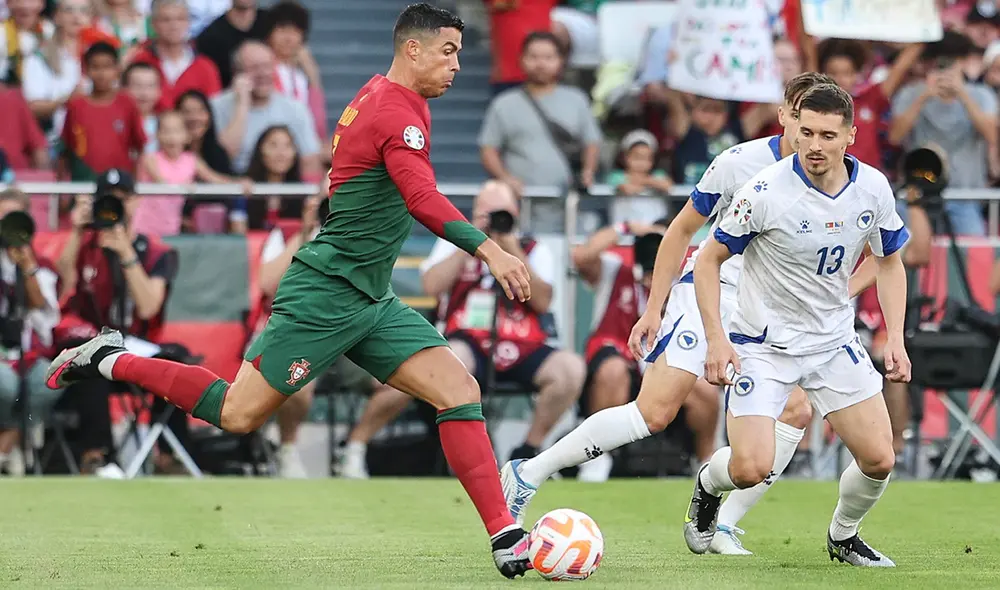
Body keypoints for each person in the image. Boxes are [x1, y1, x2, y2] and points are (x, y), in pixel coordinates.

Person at [46, 4, 534, 578]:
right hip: (326, 293)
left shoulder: (391, 98)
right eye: (448, 51)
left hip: (370, 297)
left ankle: (506, 535)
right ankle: (111, 359)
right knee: (236, 413)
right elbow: (422, 199)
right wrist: (491, 249)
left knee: (458, 389)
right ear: (413, 49)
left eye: (458, 53)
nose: (456, 64)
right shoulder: (391, 110)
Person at [500, 72, 856, 556]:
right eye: (798, 115)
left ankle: (723, 525)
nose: (805, 129)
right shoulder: (738, 163)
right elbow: (679, 231)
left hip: (765, 307)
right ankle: (529, 472)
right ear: (785, 115)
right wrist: (653, 308)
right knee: (656, 411)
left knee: (796, 409)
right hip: (709, 292)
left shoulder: (837, 174)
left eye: (816, 122)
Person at [686, 83, 909, 567]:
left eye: (828, 134)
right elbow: (708, 260)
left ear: (850, 135)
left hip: (832, 343)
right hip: (763, 346)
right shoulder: (765, 191)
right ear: (791, 127)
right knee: (749, 469)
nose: (815, 145)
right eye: (806, 132)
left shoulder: (872, 187)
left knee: (880, 458)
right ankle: (707, 486)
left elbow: (889, 261)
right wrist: (718, 340)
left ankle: (843, 535)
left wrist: (895, 335)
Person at [61, 42, 146, 180]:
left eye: (107, 67)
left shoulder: (127, 103)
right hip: (84, 183)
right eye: (95, 67)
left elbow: (139, 147)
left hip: (120, 184)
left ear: (117, 69)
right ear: (85, 69)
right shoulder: (76, 106)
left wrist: (135, 185)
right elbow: (66, 151)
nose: (101, 74)